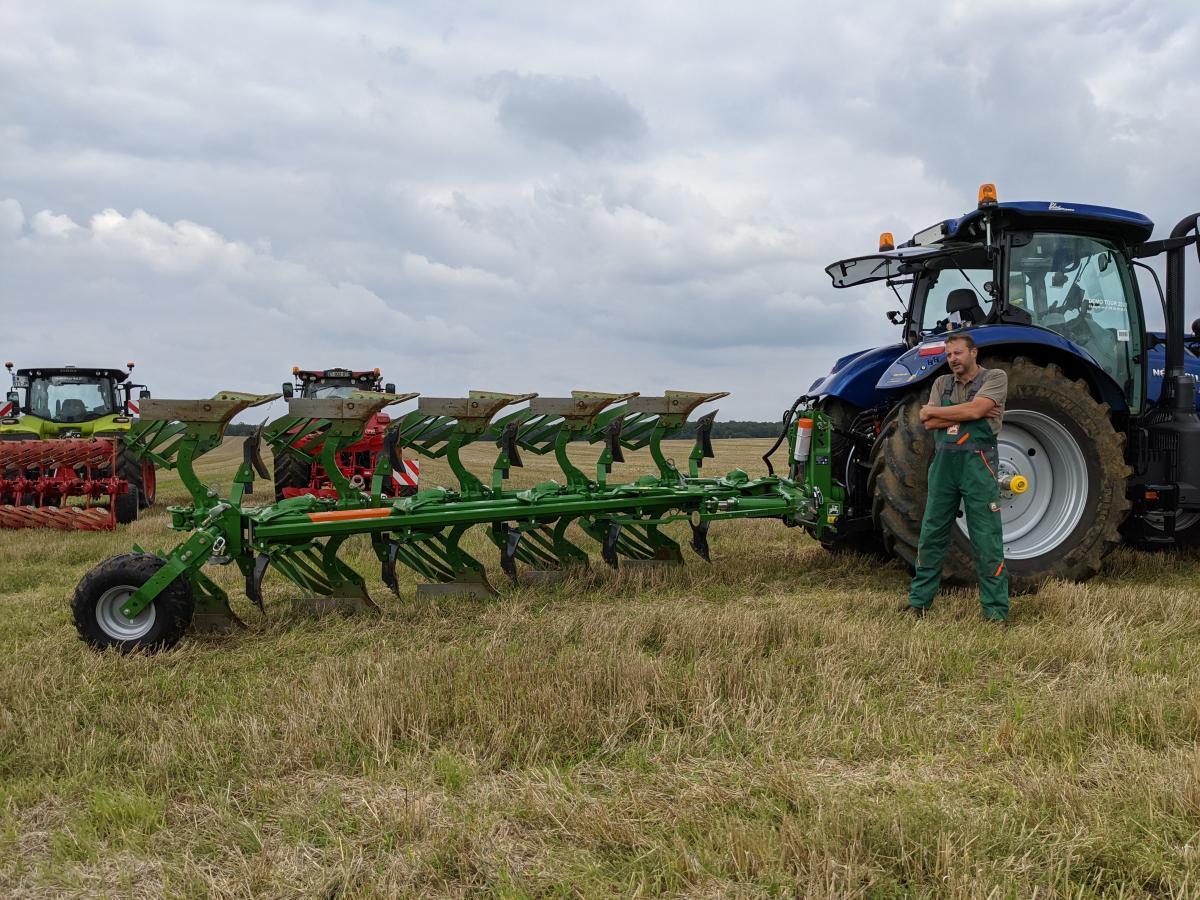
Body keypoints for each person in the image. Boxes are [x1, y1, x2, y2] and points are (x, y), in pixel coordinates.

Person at [904, 331, 1010, 622]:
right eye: (949, 355)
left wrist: (943, 412)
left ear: (973, 353)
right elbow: (927, 421)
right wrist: (967, 413)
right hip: (944, 466)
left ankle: (995, 612)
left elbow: (977, 409)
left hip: (979, 465)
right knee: (931, 533)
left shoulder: (995, 378)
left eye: (957, 353)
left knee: (986, 538)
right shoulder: (941, 382)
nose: (952, 359)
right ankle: (919, 603)